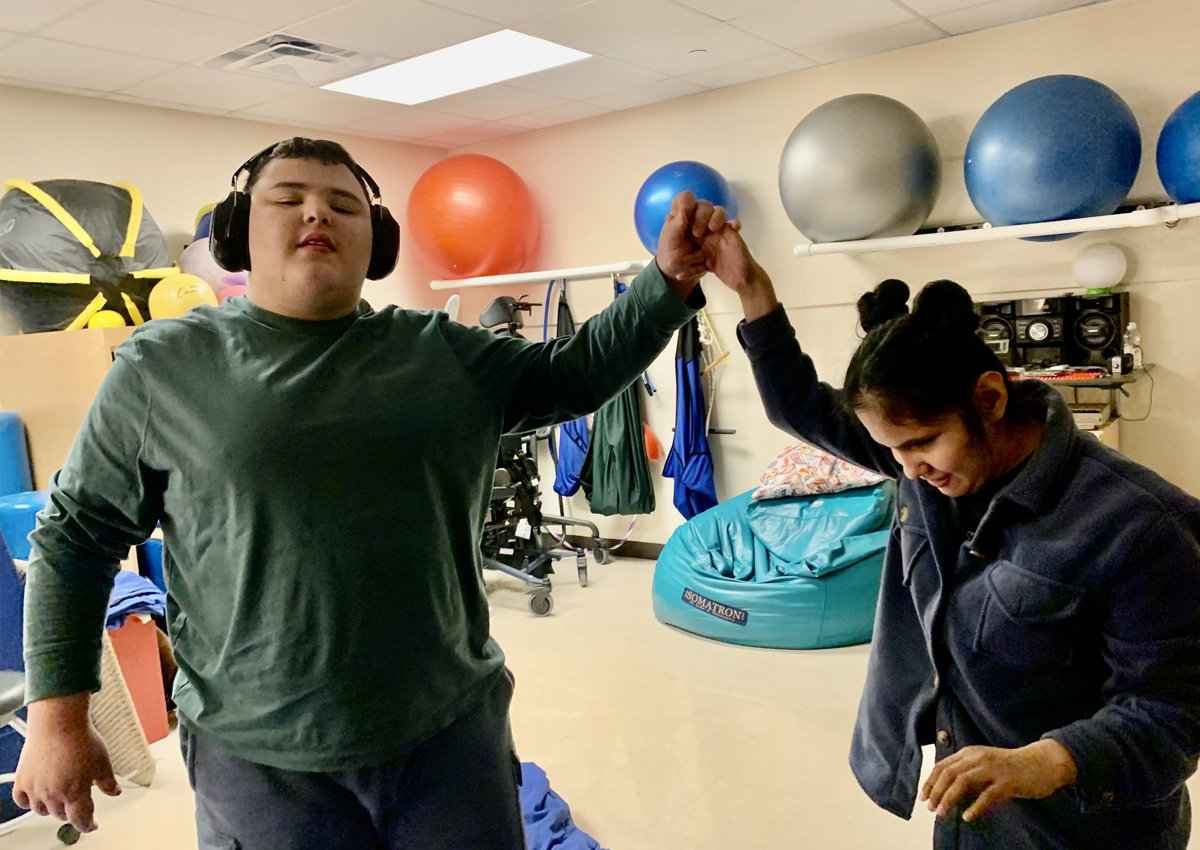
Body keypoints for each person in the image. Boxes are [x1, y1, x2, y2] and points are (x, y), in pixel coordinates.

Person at [13, 137, 739, 849]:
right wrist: (57, 721)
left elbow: (574, 372)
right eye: (288, 199)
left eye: (343, 205)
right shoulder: (160, 369)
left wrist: (667, 280)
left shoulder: (443, 354)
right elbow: (76, 542)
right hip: (265, 767)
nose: (316, 216)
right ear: (239, 231)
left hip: (450, 741)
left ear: (377, 240)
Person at [705, 224, 1200, 848]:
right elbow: (801, 405)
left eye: (921, 443)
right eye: (893, 450)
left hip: (1087, 828)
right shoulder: (931, 471)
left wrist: (1043, 762)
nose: (908, 469)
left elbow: (1173, 711)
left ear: (989, 398)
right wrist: (750, 289)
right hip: (971, 812)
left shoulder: (1140, 526)